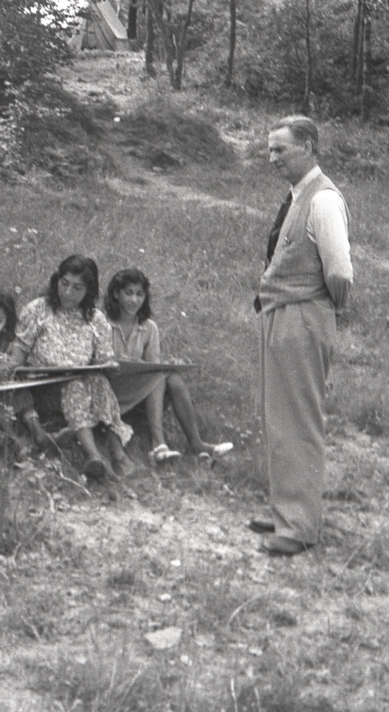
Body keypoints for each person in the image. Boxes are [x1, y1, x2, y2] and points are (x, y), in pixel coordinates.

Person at [250, 115, 352, 557]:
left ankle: (299, 527)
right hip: (280, 315)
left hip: (303, 318)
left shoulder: (323, 201)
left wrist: (324, 307)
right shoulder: (296, 196)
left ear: (308, 147)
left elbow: (340, 271)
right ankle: (284, 508)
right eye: (270, 150)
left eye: (281, 150)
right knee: (277, 418)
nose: (272, 158)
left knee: (299, 421)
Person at [10, 255, 135, 481]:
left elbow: (104, 359)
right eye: (64, 283)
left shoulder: (95, 319)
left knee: (97, 380)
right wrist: (13, 372)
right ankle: (93, 456)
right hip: (44, 388)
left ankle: (117, 451)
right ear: (56, 280)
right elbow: (18, 353)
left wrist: (109, 366)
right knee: (74, 384)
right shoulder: (38, 310)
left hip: (82, 384)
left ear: (89, 291)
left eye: (77, 288)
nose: (68, 293)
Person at [104, 268, 232, 463]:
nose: (134, 300)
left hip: (138, 393)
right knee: (161, 373)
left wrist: (151, 364)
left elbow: (152, 365)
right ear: (116, 293)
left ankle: (196, 443)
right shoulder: (103, 323)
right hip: (110, 391)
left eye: (139, 294)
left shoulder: (148, 327)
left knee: (171, 376)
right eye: (128, 293)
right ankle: (158, 445)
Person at [0, 290, 57, 456]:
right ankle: (13, 438)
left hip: (2, 383)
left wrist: (7, 363)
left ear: (6, 322)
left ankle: (37, 430)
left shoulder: (5, 340)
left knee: (22, 391)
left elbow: (13, 360)